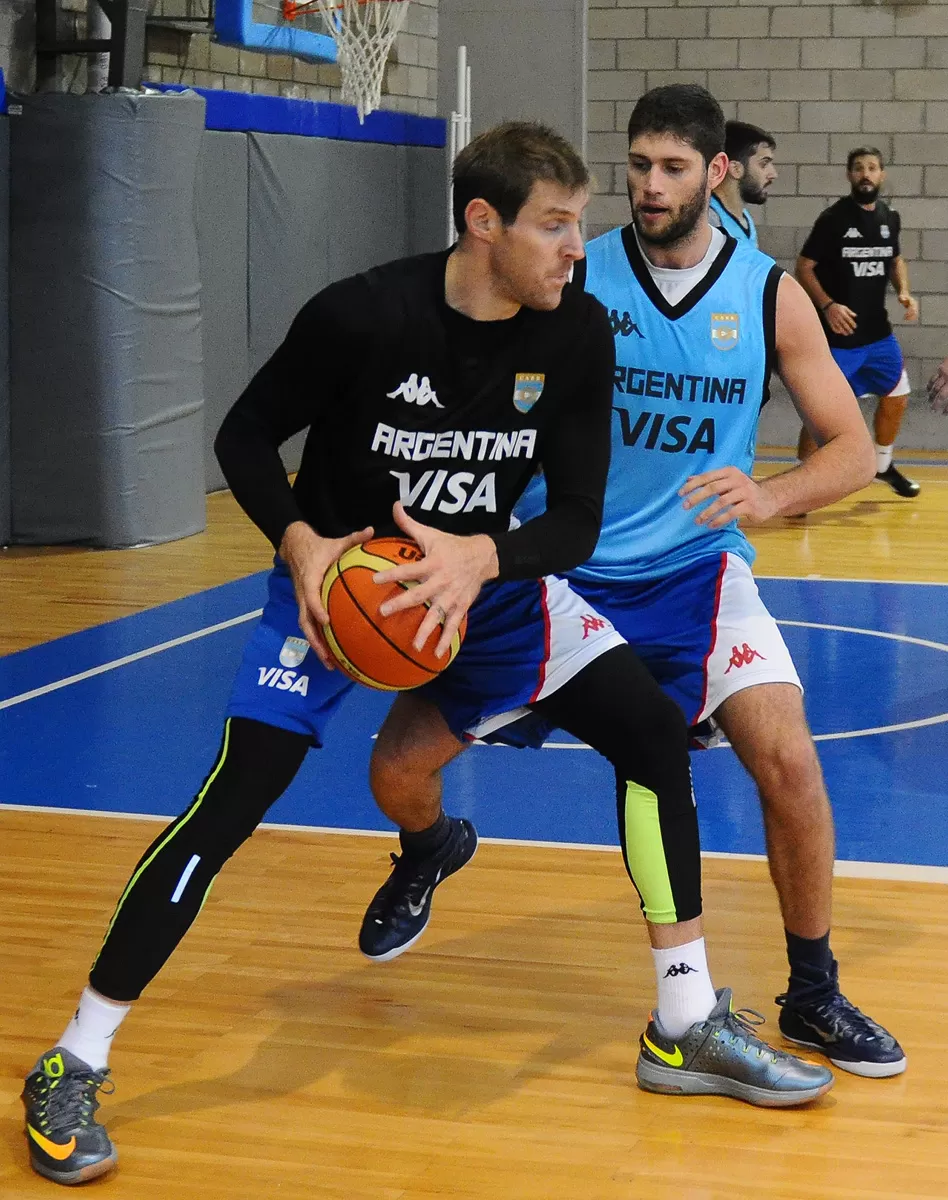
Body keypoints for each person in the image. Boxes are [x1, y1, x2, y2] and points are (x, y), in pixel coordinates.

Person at [21, 121, 829, 1189]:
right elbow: (245, 436)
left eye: (578, 227)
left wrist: (482, 559)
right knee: (230, 803)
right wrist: (301, 541)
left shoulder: (577, 333)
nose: (576, 249)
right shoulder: (363, 314)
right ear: (482, 223)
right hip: (339, 597)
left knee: (649, 732)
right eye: (553, 226)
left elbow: (577, 523)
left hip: (488, 593)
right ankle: (73, 1057)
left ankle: (683, 1024)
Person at [365, 85, 906, 1085]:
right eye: (638, 164)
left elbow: (855, 451)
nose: (648, 186)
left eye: (670, 168)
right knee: (394, 772)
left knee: (789, 763)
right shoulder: (573, 274)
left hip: (697, 575)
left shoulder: (765, 293)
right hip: (562, 574)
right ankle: (430, 846)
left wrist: (769, 495)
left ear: (716, 173)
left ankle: (813, 989)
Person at [795, 147, 920, 497]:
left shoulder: (889, 216)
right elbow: (804, 267)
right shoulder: (834, 218)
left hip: (878, 335)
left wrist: (904, 292)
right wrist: (828, 305)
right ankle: (805, 484)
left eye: (873, 168)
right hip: (840, 338)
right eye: (859, 168)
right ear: (849, 175)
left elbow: (896, 259)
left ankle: (882, 466)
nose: (866, 174)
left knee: (897, 394)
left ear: (882, 174)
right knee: (821, 413)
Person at [708, 120, 776, 247]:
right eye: (764, 164)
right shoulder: (708, 222)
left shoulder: (744, 216)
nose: (773, 174)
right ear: (735, 169)